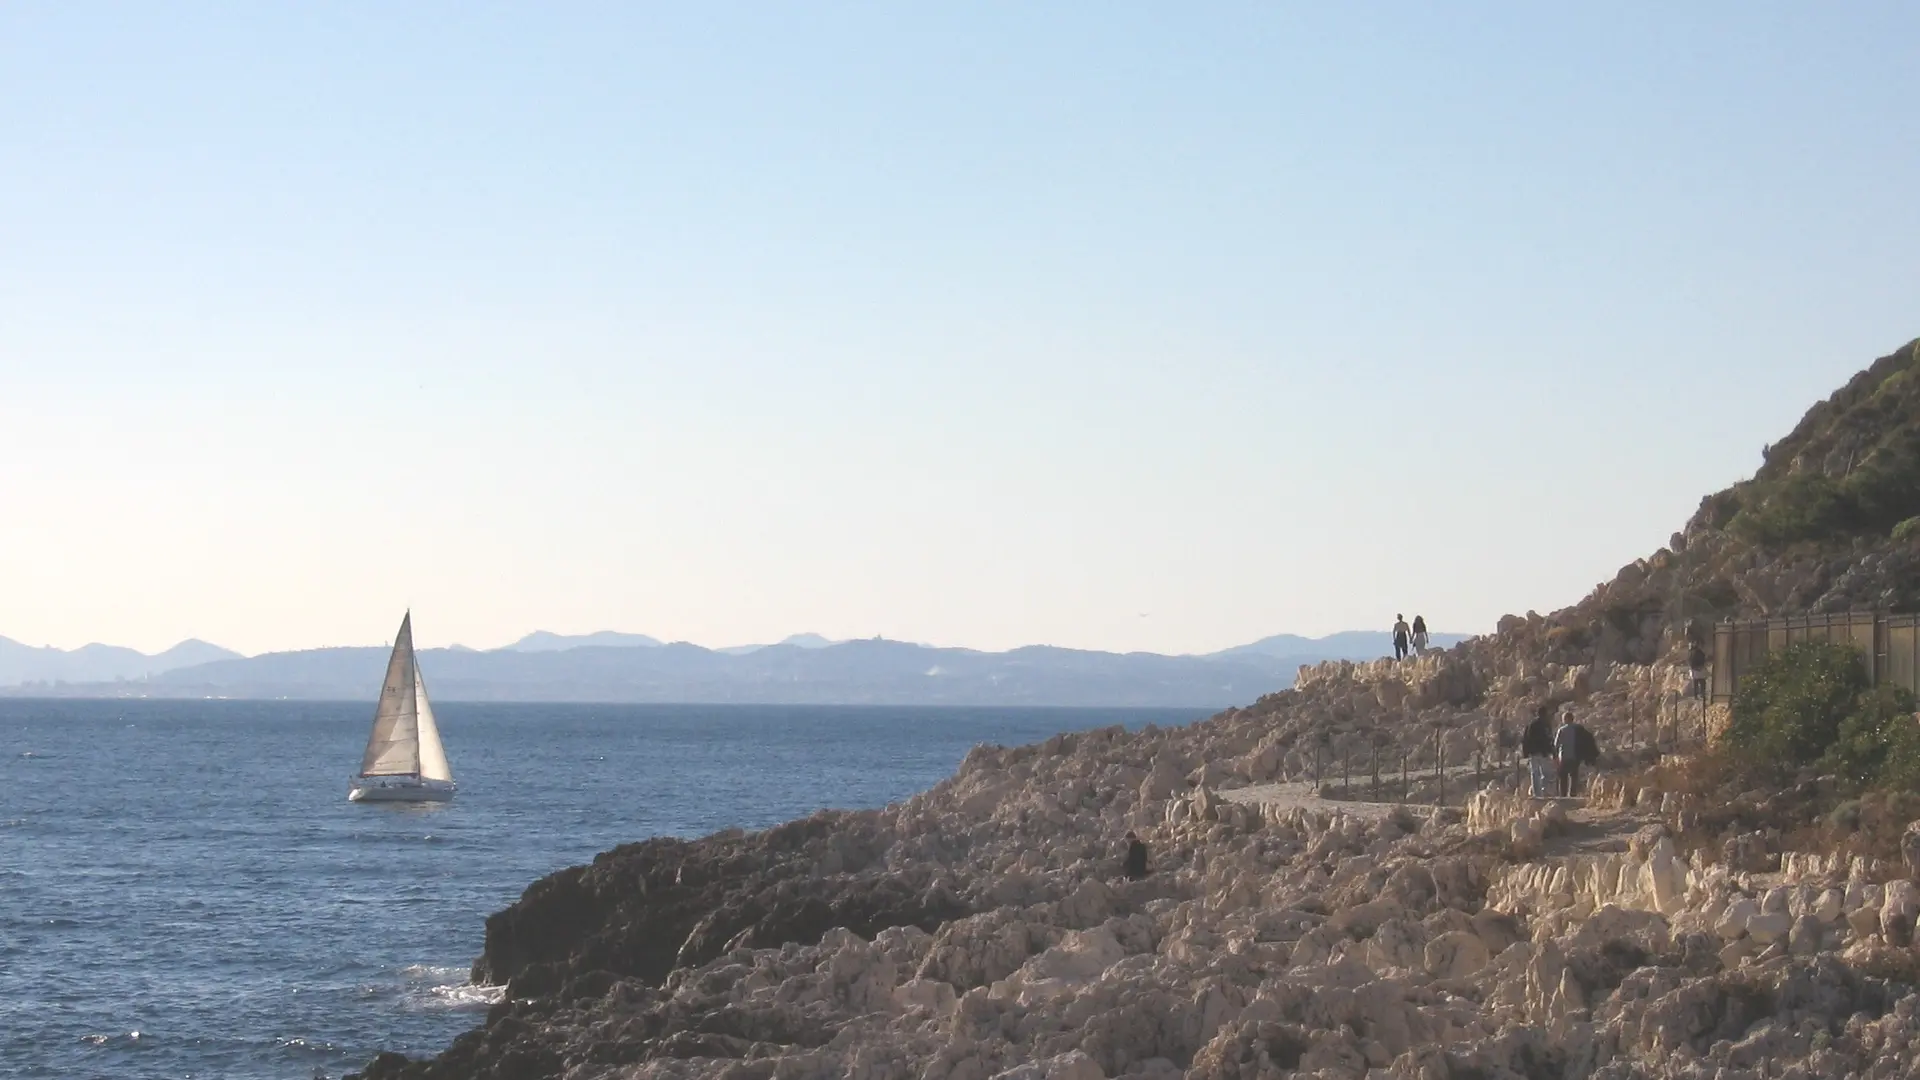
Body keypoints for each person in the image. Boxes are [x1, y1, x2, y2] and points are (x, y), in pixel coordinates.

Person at [1521, 706, 1555, 797]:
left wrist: (1525, 752)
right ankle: (1545, 791)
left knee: (1535, 773)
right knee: (1545, 773)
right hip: (1544, 752)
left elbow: (1525, 739)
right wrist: (1552, 751)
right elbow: (1549, 739)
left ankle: (1537, 794)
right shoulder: (1546, 725)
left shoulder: (1531, 724)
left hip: (1533, 752)